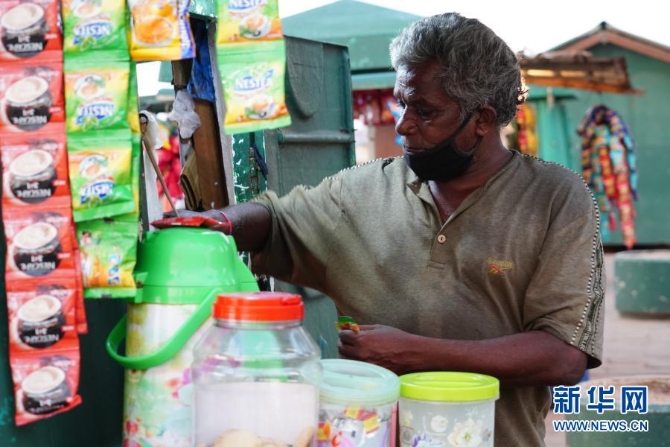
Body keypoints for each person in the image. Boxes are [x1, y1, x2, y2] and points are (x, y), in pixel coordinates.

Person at [175, 13, 605, 446]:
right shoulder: (361, 189)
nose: (403, 124)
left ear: (482, 118)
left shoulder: (555, 199)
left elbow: (563, 356)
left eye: (425, 111)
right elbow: (275, 221)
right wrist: (218, 223)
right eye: (403, 104)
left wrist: (412, 353)